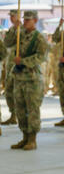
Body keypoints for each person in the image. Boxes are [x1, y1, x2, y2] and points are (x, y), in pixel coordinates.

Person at [10, 11, 48, 150]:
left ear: (35, 21)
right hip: (19, 77)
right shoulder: (20, 34)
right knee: (20, 108)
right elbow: (8, 42)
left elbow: (41, 57)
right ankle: (24, 136)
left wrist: (24, 61)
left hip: (32, 78)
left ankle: (32, 139)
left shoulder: (39, 37)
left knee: (32, 109)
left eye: (28, 20)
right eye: (24, 19)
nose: (25, 22)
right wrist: (14, 27)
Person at [2, 10, 22, 126]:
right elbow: (6, 43)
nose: (11, 18)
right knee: (9, 91)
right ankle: (13, 115)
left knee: (19, 92)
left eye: (13, 16)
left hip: (20, 65)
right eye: (10, 17)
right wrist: (14, 30)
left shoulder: (24, 30)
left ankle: (21, 116)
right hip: (10, 64)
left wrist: (19, 29)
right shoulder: (12, 30)